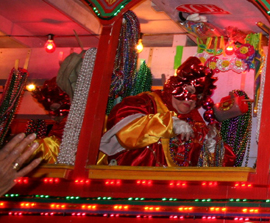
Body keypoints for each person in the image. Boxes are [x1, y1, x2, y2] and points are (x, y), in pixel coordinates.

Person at [99, 57, 234, 167]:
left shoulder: (197, 124)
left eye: (198, 97)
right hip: (131, 189)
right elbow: (123, 128)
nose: (192, 99)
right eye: (190, 91)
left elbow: (222, 163)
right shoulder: (146, 103)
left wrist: (213, 150)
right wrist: (167, 123)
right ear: (175, 85)